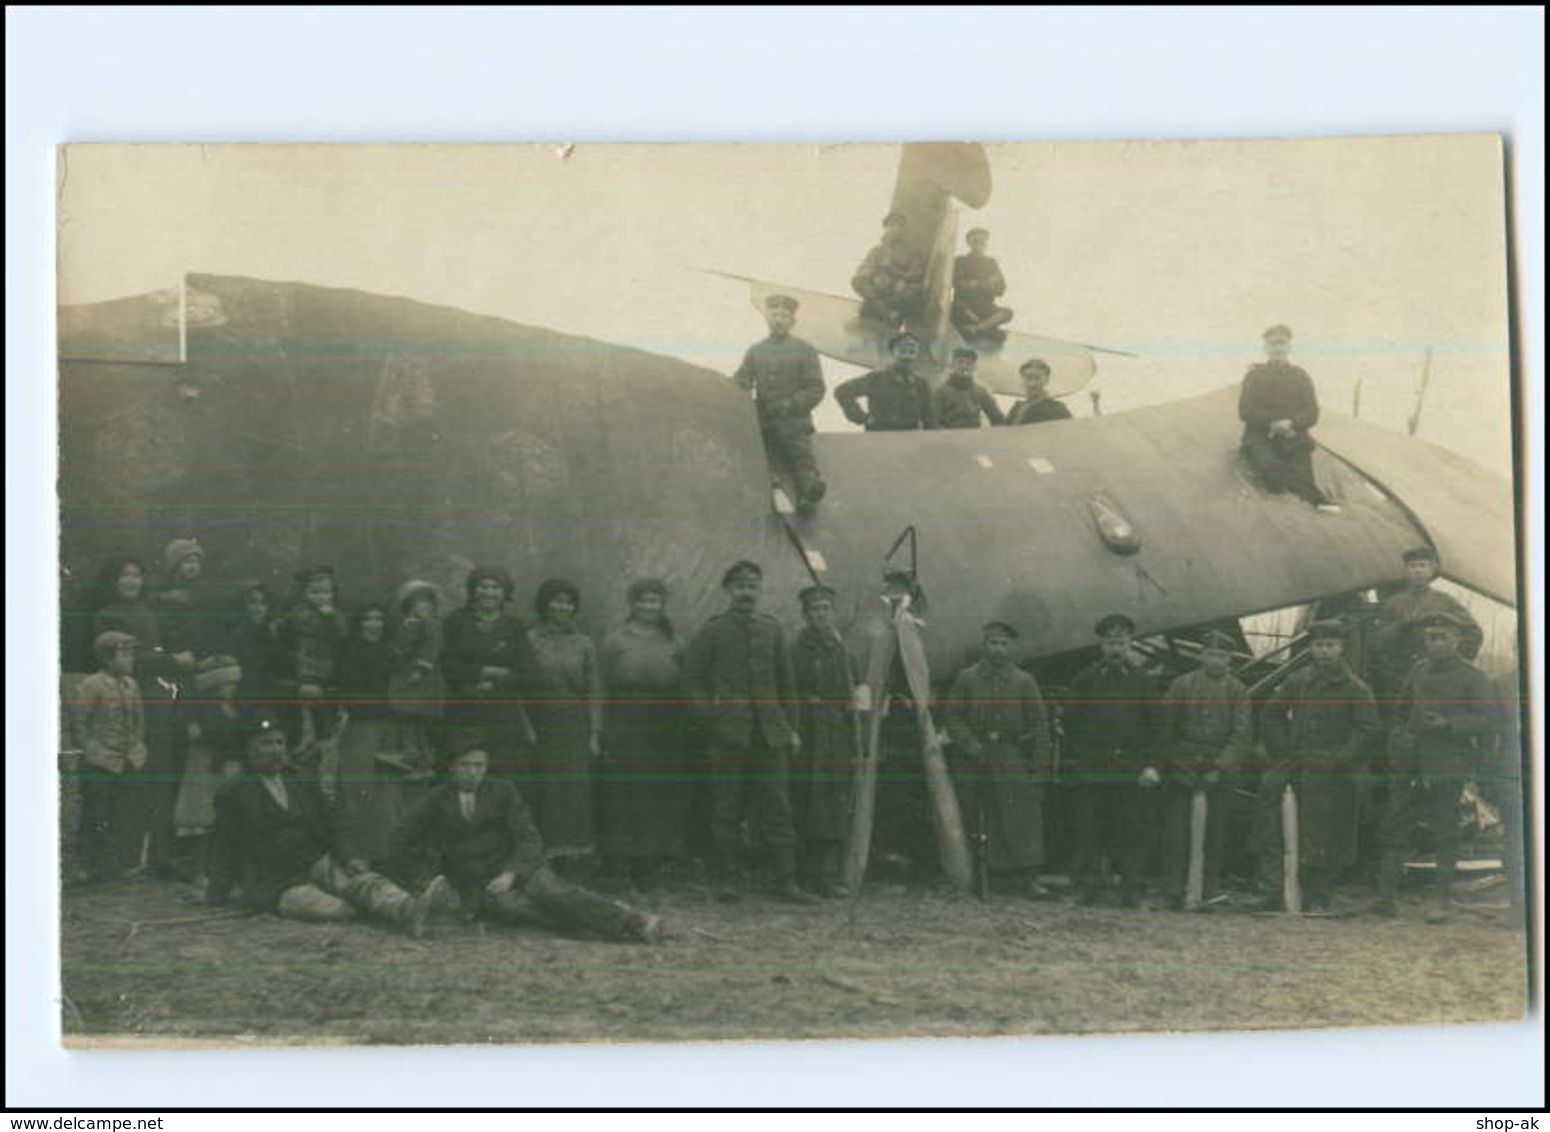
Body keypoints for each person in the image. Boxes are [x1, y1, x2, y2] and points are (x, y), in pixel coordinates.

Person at [390, 740, 664, 944]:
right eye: (465, 765)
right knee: (514, 908)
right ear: (452, 768)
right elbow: (401, 839)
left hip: (517, 868)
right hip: (477, 883)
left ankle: (634, 923)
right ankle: (598, 920)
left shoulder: (503, 791)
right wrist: (426, 880)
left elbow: (529, 838)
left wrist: (511, 873)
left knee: (551, 891)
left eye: (479, 765)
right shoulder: (436, 799)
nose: (473, 772)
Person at [207, 717, 443, 936]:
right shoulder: (234, 793)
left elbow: (333, 822)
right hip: (276, 880)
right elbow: (224, 845)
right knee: (334, 909)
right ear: (249, 750)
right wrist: (217, 893)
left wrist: (350, 857)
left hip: (317, 861)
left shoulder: (300, 780)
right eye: (266, 743)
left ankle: (408, 909)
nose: (276, 750)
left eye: (279, 742)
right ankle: (365, 907)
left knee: (362, 880)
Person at [682, 561, 819, 904]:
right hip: (728, 732)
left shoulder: (772, 629)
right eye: (740, 586)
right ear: (728, 590)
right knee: (727, 807)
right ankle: (729, 879)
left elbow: (787, 684)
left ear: (760, 591)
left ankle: (785, 880)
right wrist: (711, 716)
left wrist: (792, 728)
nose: (747, 592)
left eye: (753, 586)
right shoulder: (713, 631)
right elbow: (691, 680)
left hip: (770, 733)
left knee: (777, 805)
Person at [1375, 612, 1497, 922]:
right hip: (1412, 763)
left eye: (1443, 637)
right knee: (1396, 824)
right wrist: (1399, 741)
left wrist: (1449, 725)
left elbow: (1488, 721)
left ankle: (1440, 901)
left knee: (1445, 831)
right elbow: (1400, 712)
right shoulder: (1418, 670)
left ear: (1457, 640)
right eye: (1431, 637)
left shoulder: (1473, 677)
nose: (1437, 643)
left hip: (1447, 764)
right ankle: (1385, 898)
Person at [1257, 620, 1381, 914]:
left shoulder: (1355, 687)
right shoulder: (1297, 681)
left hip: (1334, 772)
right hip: (1295, 765)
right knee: (1273, 824)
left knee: (1328, 834)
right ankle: (1273, 891)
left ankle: (1319, 896)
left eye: (1330, 646)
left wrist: (1341, 759)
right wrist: (1284, 752)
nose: (1324, 652)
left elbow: (1369, 729)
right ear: (1310, 648)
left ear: (1341, 648)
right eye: (1318, 646)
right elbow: (1270, 716)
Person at [943, 621, 1056, 899]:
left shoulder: (1024, 681)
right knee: (977, 814)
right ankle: (981, 877)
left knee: (1020, 815)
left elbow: (1039, 724)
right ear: (984, 645)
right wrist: (971, 745)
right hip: (974, 756)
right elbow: (953, 718)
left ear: (1012, 647)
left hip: (1009, 754)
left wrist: (1039, 766)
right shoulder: (966, 678)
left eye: (1003, 644)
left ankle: (1028, 877)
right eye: (993, 643)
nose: (998, 649)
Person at [1061, 614, 1164, 908]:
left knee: (1130, 831)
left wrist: (1151, 765)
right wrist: (1080, 761)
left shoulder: (1144, 682)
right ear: (1101, 645)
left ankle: (1131, 889)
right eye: (1109, 642)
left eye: (1120, 642)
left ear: (1130, 644)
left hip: (1131, 772)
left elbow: (1158, 728)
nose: (1115, 648)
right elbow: (1071, 724)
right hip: (1092, 770)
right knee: (1089, 829)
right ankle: (1086, 887)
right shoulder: (1085, 679)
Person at [597, 578, 693, 890]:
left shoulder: (675, 640)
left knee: (657, 791)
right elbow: (601, 686)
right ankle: (617, 862)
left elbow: (686, 683)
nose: (649, 607)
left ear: (662, 604)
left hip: (664, 722)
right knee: (624, 789)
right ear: (632, 604)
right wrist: (601, 727)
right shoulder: (615, 639)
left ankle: (649, 865)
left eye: (655, 601)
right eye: (643, 601)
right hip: (626, 718)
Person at [1158, 630, 1252, 909]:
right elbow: (1166, 728)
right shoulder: (1181, 685)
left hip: (1219, 771)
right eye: (1210, 654)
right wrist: (1177, 765)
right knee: (1176, 834)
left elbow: (1242, 735)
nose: (1215, 660)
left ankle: (1208, 890)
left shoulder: (1238, 690)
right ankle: (1172, 890)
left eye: (1221, 656)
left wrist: (1219, 769)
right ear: (1201, 655)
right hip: (1182, 768)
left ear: (1230, 659)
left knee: (1215, 834)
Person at [334, 604, 427, 867]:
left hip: (392, 726)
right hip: (362, 726)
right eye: (367, 619)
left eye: (379, 619)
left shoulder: (394, 650)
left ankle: (392, 854)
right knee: (360, 789)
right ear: (359, 623)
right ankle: (361, 853)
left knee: (392, 791)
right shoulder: (349, 650)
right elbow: (346, 686)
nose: (373, 624)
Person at [525, 578, 602, 866]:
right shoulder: (531, 639)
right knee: (544, 786)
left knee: (574, 787)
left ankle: (573, 856)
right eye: (555, 600)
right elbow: (519, 685)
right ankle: (540, 857)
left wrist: (594, 732)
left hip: (574, 721)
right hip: (540, 719)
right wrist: (526, 725)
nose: (561, 606)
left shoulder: (584, 642)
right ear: (544, 605)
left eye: (568, 602)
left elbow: (594, 688)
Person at [789, 584, 858, 897]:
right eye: (815, 609)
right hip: (808, 727)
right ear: (805, 614)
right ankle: (803, 873)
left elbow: (849, 689)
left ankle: (828, 875)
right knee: (806, 797)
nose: (821, 615)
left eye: (826, 608)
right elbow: (789, 688)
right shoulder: (796, 648)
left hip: (835, 730)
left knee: (833, 797)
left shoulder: (840, 648)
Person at [440, 565, 538, 788]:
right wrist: (484, 672)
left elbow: (530, 673)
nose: (489, 592)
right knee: (464, 777)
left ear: (505, 593)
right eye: (483, 586)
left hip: (504, 715)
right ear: (473, 590)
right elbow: (447, 666)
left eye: (495, 587)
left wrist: (502, 678)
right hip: (464, 711)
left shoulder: (514, 626)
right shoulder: (456, 621)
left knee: (506, 777)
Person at [732, 294, 827, 512]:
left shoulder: (805, 350)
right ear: (767, 319)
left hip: (794, 421)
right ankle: (771, 493)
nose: (779, 320)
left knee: (802, 458)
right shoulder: (756, 351)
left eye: (784, 316)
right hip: (763, 421)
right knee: (759, 459)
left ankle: (809, 494)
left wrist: (791, 404)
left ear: (792, 321)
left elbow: (816, 388)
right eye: (775, 315)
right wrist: (742, 383)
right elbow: (741, 378)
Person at [70, 630, 149, 882]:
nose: (130, 659)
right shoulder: (92, 684)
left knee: (123, 812)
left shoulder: (131, 685)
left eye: (131, 653)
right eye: (124, 653)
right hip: (101, 760)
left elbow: (139, 721)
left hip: (127, 759)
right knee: (97, 813)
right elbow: (81, 722)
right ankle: (90, 864)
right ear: (106, 658)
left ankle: (118, 863)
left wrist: (136, 748)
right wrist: (91, 750)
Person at [1237, 325, 1339, 511]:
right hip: (1261, 437)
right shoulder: (1254, 376)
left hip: (1294, 437)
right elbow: (1245, 411)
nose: (1278, 348)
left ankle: (1316, 500)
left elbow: (1312, 413)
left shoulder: (1300, 376)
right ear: (1266, 348)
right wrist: (1273, 423)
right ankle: (1313, 498)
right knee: (1270, 471)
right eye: (1273, 344)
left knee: (1302, 473)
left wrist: (1291, 423)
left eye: (1282, 343)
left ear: (1289, 347)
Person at [1368, 547, 1484, 705]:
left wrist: (1454, 664)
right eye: (1412, 566)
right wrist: (1400, 627)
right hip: (1396, 677)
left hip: (1433, 677)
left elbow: (1474, 633)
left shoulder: (1445, 601)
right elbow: (1376, 641)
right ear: (1405, 570)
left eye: (1422, 566)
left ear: (1432, 570)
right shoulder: (1392, 604)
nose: (1418, 571)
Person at [170, 653, 247, 872]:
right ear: (215, 686)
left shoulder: (233, 707)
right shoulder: (202, 709)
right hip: (205, 766)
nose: (232, 688)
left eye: (233, 684)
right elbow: (197, 735)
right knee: (202, 816)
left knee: (223, 815)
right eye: (226, 684)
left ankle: (222, 864)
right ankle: (197, 863)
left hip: (226, 764)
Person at [272, 565, 351, 758]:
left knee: (323, 700)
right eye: (315, 592)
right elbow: (287, 626)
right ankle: (308, 735)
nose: (321, 597)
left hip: (326, 660)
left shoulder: (335, 613)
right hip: (304, 659)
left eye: (325, 592)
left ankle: (324, 737)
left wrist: (330, 617)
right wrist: (277, 626)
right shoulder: (299, 611)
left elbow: (344, 633)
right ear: (305, 594)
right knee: (305, 698)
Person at [388, 580, 447, 765]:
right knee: (405, 714)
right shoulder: (406, 624)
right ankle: (410, 749)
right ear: (409, 605)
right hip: (403, 675)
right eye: (417, 602)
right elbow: (399, 647)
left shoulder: (433, 625)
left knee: (421, 716)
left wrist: (420, 670)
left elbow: (431, 648)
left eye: (427, 602)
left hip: (425, 678)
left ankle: (426, 755)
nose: (423, 606)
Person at [834, 332, 937, 432]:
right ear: (893, 351)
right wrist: (862, 418)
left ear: (918, 352)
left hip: (910, 441)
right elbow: (843, 391)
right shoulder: (877, 378)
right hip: (879, 439)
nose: (909, 348)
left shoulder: (921, 384)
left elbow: (929, 417)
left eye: (913, 346)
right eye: (903, 345)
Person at [851, 211, 926, 326]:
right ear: (885, 229)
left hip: (898, 287)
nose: (895, 229)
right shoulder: (877, 250)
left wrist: (903, 279)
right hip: (878, 287)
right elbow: (863, 268)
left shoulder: (912, 251)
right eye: (891, 226)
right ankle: (887, 313)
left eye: (899, 225)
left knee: (914, 292)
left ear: (903, 229)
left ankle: (873, 308)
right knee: (857, 281)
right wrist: (873, 275)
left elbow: (917, 271)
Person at [950, 227, 1014, 345]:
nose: (979, 244)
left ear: (986, 243)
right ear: (969, 243)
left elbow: (1001, 289)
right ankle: (986, 328)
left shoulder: (991, 263)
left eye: (982, 241)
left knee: (1008, 312)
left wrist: (977, 284)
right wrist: (987, 284)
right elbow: (956, 283)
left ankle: (975, 329)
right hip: (965, 306)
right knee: (953, 307)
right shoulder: (960, 261)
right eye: (975, 241)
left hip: (985, 306)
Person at [932, 347, 1007, 429]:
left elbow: (998, 418)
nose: (964, 366)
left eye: (968, 363)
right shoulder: (941, 392)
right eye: (960, 362)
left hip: (973, 438)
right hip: (948, 438)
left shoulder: (980, 392)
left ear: (974, 367)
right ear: (952, 365)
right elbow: (934, 422)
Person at [1005, 359, 1073, 426]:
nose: (1033, 383)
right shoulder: (1017, 408)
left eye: (1037, 378)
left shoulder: (1057, 408)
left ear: (1046, 380)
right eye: (1028, 378)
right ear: (1023, 380)